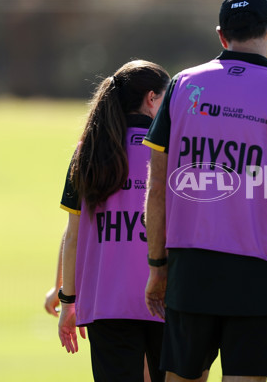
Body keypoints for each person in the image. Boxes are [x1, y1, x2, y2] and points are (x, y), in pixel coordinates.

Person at [142, 0, 267, 382]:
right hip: (259, 274)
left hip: (190, 269)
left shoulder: (181, 85)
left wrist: (157, 267)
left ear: (221, 35)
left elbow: (156, 187)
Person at [56, 59, 170, 382]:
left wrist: (68, 301)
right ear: (151, 99)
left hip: (106, 306)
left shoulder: (88, 151)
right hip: (164, 299)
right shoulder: (170, 149)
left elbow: (73, 235)